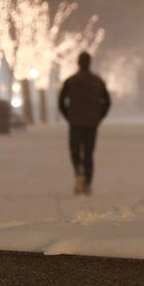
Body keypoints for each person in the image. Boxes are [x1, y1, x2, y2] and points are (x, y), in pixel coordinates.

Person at [58, 51, 110, 195]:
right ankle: (87, 182)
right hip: (91, 123)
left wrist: (68, 116)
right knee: (88, 153)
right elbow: (107, 102)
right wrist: (99, 117)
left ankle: (78, 172)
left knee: (75, 151)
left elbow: (61, 102)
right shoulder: (97, 81)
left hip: (75, 122)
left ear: (78, 63)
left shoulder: (71, 81)